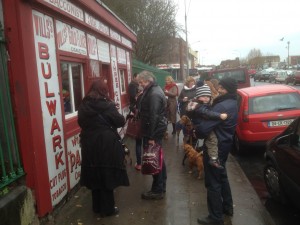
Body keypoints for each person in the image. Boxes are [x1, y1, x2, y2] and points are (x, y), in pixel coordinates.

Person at [77, 79, 129, 217]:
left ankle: (97, 207)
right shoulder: (108, 105)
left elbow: (80, 122)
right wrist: (114, 109)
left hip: (89, 143)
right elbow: (120, 121)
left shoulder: (83, 105)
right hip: (106, 143)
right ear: (103, 91)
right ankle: (108, 209)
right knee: (107, 173)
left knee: (94, 172)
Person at [195, 77, 238, 225]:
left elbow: (203, 129)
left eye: (220, 86)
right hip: (225, 145)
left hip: (216, 148)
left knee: (213, 182)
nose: (218, 88)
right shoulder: (233, 102)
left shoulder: (221, 106)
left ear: (224, 88)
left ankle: (215, 217)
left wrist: (196, 130)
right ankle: (227, 207)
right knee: (222, 176)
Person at [137, 70, 168, 200]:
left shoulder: (154, 94)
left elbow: (154, 116)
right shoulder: (153, 90)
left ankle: (157, 190)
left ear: (148, 80)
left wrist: (151, 137)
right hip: (154, 130)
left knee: (154, 159)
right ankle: (161, 186)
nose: (140, 84)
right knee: (158, 158)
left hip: (153, 131)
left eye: (141, 82)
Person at [186, 84, 227, 169]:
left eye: (208, 96)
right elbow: (207, 113)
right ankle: (213, 159)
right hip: (201, 126)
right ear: (198, 97)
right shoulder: (199, 106)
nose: (206, 98)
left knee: (209, 140)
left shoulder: (198, 104)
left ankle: (208, 154)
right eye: (203, 96)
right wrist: (220, 115)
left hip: (200, 126)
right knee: (213, 139)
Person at [128, 72, 143, 170]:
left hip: (139, 121)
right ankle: (146, 162)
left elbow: (137, 109)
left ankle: (139, 163)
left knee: (138, 143)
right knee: (144, 143)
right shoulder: (148, 96)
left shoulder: (139, 98)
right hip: (146, 122)